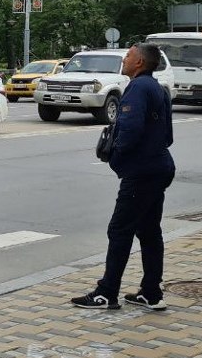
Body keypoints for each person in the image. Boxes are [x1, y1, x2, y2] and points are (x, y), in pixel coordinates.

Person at [72, 42, 175, 311]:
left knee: (120, 230)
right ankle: (151, 293)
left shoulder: (138, 88)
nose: (125, 59)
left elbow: (129, 130)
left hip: (141, 173)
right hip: (159, 167)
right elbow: (168, 135)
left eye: (128, 55)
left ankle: (106, 293)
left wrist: (116, 157)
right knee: (149, 231)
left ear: (139, 62)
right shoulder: (158, 88)